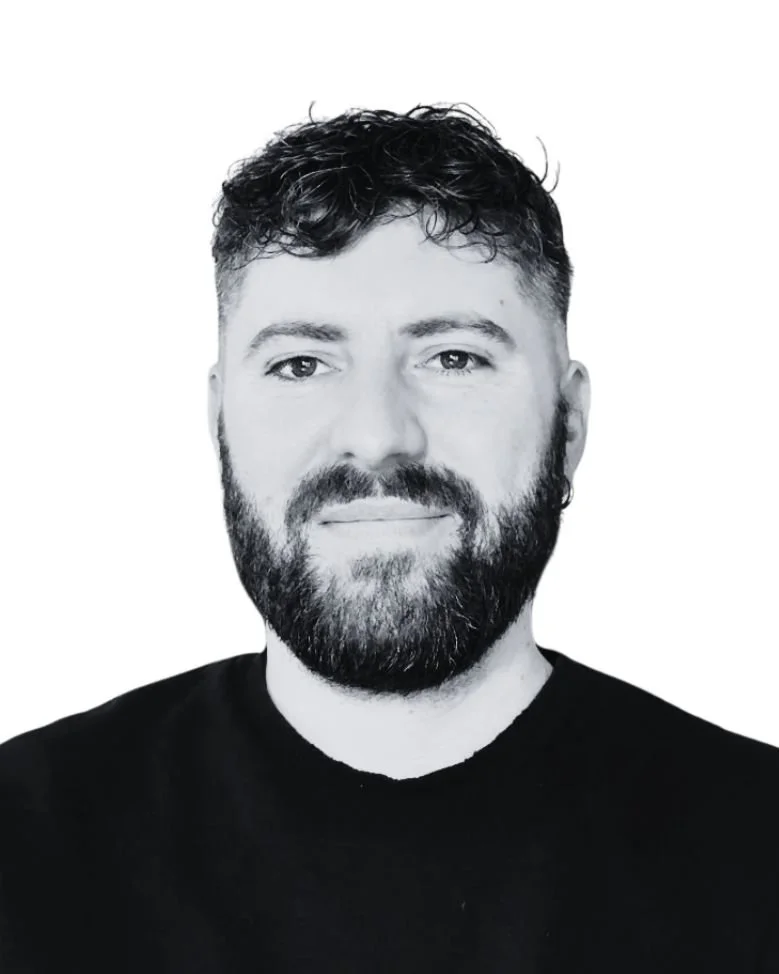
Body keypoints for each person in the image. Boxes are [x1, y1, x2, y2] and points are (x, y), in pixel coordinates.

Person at [0, 105, 777, 973]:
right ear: (219, 423)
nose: (376, 436)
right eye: (301, 364)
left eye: (453, 357)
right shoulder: (25, 848)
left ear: (568, 428)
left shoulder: (756, 848)